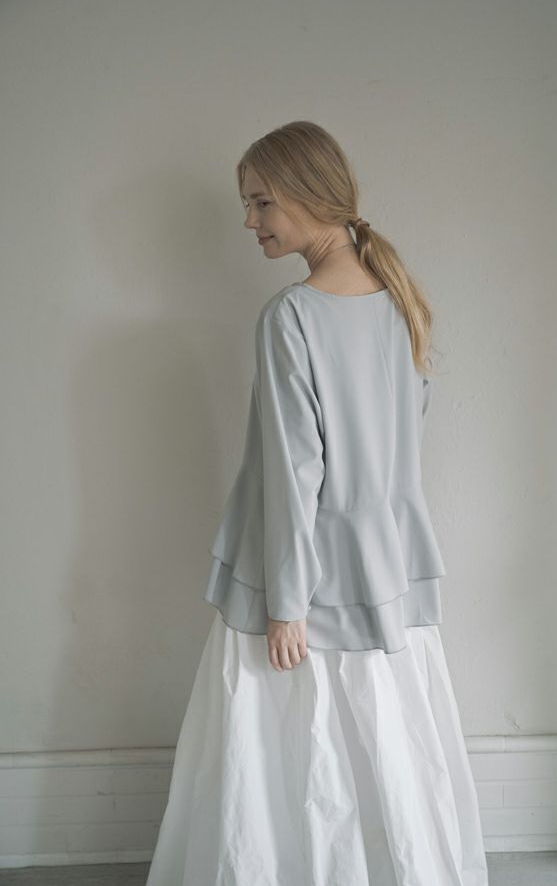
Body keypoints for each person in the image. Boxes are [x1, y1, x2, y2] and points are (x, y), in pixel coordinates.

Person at [145, 120, 489, 885]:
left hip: (303, 568)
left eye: (261, 201)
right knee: (388, 740)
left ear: (307, 195)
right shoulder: (400, 299)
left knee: (280, 745)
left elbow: (295, 470)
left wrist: (288, 602)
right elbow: (402, 444)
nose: (249, 221)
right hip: (387, 564)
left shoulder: (292, 316)